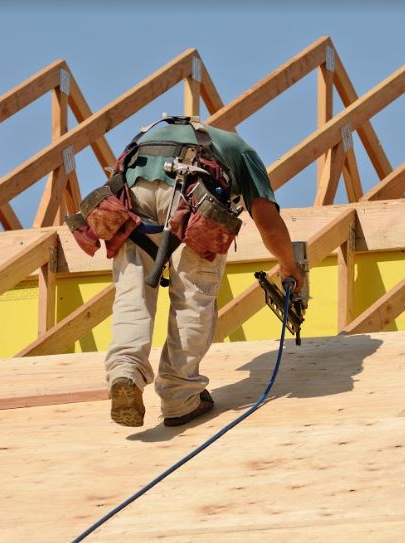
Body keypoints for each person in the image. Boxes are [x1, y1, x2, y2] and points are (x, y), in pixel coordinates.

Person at [104, 118, 304, 428]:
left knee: (132, 293)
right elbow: (267, 220)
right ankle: (179, 397)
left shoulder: (158, 131)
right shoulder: (242, 152)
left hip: (131, 191)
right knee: (193, 294)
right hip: (195, 194)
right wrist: (289, 265)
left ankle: (125, 372)